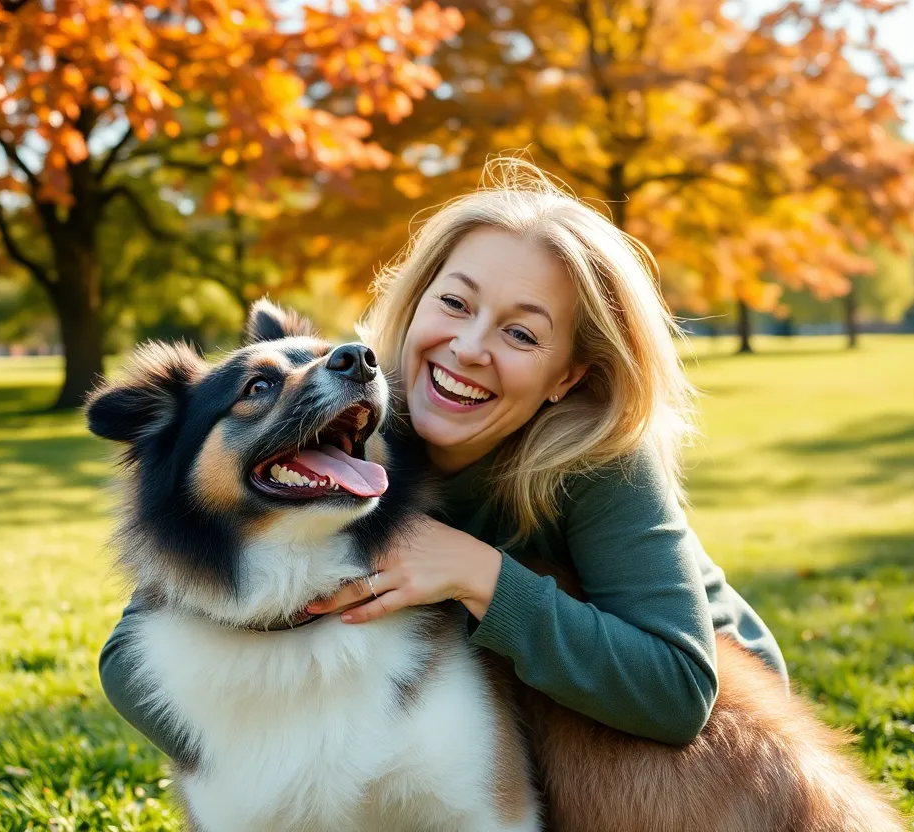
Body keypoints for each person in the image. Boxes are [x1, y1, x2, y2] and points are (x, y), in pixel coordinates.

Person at [99, 157, 786, 752]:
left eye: (521, 334)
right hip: (493, 718)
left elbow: (679, 692)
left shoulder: (598, 456)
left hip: (704, 734)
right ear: (417, 297)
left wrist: (481, 575)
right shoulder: (351, 409)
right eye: (455, 303)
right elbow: (131, 657)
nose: (469, 348)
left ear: (568, 377)